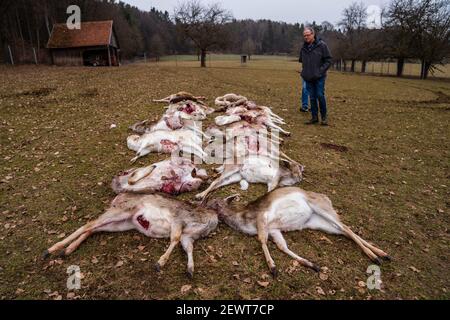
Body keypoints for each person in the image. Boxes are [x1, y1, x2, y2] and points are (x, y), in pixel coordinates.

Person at [299, 26, 332, 125]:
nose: (306, 37)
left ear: (313, 34)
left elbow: (328, 60)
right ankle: (314, 118)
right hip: (308, 77)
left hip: (319, 76)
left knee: (320, 95)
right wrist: (304, 72)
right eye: (304, 36)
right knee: (312, 97)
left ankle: (324, 118)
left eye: (308, 35)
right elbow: (301, 60)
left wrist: (320, 71)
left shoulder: (321, 45)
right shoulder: (303, 47)